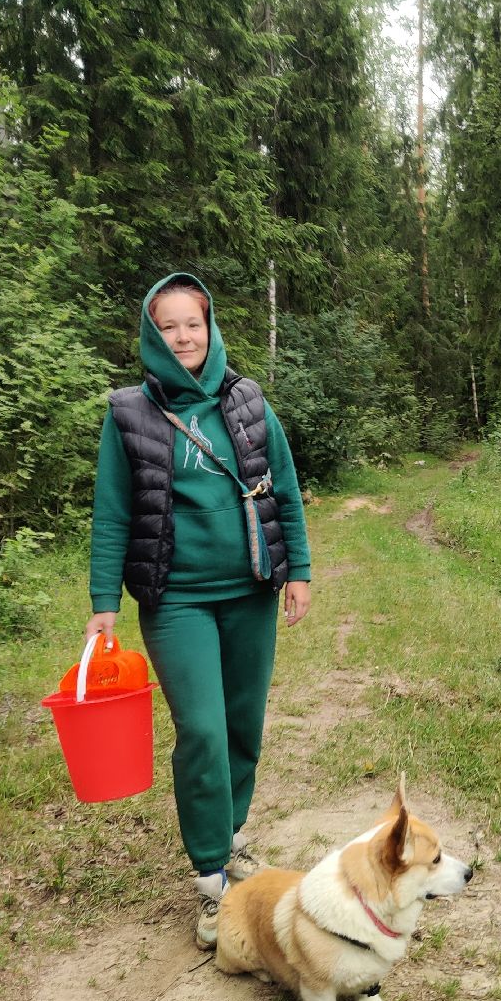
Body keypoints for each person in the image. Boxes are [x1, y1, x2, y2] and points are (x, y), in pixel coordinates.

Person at [84, 272, 311, 950]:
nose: (183, 336)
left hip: (250, 590)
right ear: (152, 334)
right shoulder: (129, 413)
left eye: (194, 323)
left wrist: (299, 570)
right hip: (175, 598)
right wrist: (104, 603)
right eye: (169, 326)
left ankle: (231, 837)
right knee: (204, 730)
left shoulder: (247, 401)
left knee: (243, 724)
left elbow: (284, 487)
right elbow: (112, 512)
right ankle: (213, 881)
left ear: (209, 328)